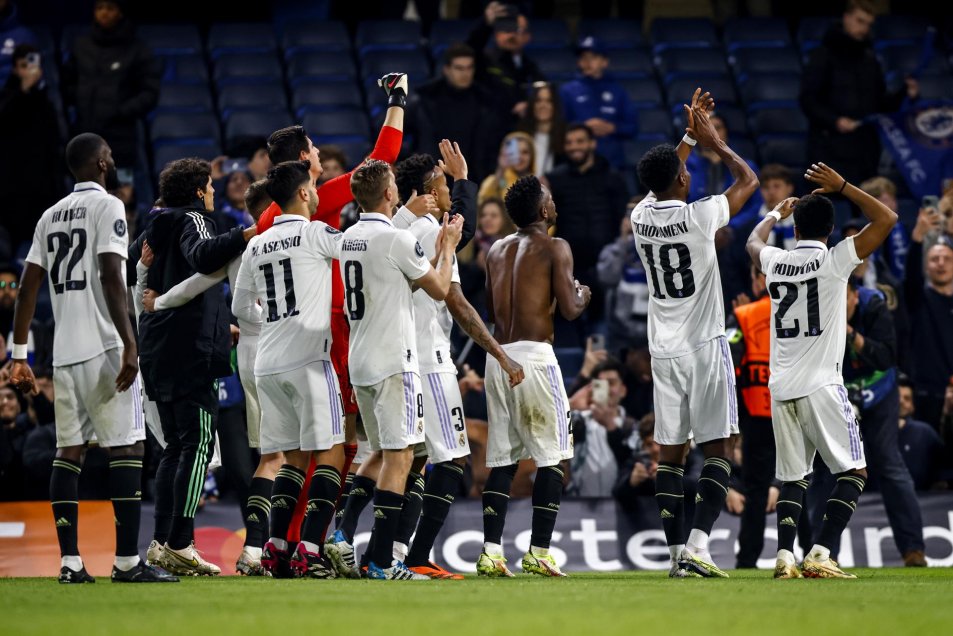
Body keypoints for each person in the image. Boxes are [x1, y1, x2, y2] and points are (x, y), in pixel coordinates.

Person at [254, 73, 411, 553]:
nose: (321, 155)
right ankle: (313, 542)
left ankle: (280, 543)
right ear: (304, 161)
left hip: (275, 344)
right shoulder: (313, 208)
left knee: (296, 452)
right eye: (316, 149)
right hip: (326, 333)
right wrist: (397, 99)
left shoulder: (266, 221)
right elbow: (380, 162)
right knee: (334, 445)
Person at [9, 133, 176, 583]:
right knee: (127, 447)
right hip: (104, 345)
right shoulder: (109, 207)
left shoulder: (49, 215)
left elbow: (27, 287)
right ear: (103, 161)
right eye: (111, 155)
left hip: (64, 352)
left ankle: (69, 562)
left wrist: (18, 354)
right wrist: (129, 341)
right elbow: (109, 274)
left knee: (70, 452)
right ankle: (126, 563)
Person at [746, 161, 899, 579]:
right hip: (822, 385)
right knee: (854, 471)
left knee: (794, 477)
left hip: (781, 387)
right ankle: (821, 551)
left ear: (795, 230)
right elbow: (887, 218)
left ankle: (783, 556)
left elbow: (752, 241)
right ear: (832, 231)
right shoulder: (836, 261)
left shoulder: (775, 261)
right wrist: (844, 185)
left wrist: (776, 213)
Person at [631, 91, 757, 578]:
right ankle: (700, 546)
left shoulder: (641, 218)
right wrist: (714, 143)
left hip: (663, 349)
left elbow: (663, 172)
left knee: (670, 453)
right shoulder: (699, 216)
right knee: (719, 445)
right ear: (683, 180)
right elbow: (749, 181)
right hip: (705, 345)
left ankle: (675, 555)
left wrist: (686, 139)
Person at [390, 141, 524, 578]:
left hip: (404, 356)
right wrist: (500, 354)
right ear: (427, 193)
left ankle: (392, 550)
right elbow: (459, 304)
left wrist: (462, 180)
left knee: (409, 459)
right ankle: (415, 555)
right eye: (444, 184)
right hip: (430, 360)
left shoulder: (398, 228)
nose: (449, 191)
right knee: (450, 459)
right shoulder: (430, 232)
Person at [139, 180, 274, 576]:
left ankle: (165, 542)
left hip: (175, 347)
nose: (215, 193)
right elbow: (202, 261)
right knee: (201, 448)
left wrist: (158, 299)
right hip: (207, 352)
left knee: (177, 449)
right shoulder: (202, 223)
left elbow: (198, 281)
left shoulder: (158, 230)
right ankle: (187, 542)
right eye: (211, 186)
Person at [340, 159, 462, 580]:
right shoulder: (394, 239)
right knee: (401, 456)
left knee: (381, 452)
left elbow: (399, 282)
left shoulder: (349, 238)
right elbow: (442, 288)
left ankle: (345, 538)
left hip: (361, 362)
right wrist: (447, 247)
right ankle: (380, 561)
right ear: (390, 193)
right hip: (395, 361)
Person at [231, 160, 347, 579]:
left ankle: (276, 548)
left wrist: (271, 321)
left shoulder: (256, 243)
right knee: (331, 454)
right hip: (308, 360)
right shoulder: (317, 233)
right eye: (314, 185)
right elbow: (357, 252)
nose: (317, 192)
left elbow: (239, 307)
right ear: (302, 193)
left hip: (267, 364)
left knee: (291, 459)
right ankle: (311, 550)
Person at [476, 175, 591, 578]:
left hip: (498, 355)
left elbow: (491, 309)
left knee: (503, 460)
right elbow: (571, 309)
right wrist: (582, 293)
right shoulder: (555, 245)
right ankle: (539, 550)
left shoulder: (494, 251)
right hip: (536, 359)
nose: (555, 202)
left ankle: (491, 552)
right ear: (543, 211)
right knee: (552, 458)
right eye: (551, 197)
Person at [800, 0, 919, 185]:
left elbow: (880, 103)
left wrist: (905, 93)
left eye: (868, 24)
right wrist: (835, 121)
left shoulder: (870, 60)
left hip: (864, 149)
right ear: (846, 18)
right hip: (828, 147)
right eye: (859, 21)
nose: (863, 28)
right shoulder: (823, 55)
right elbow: (807, 100)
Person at [62, 0, 160, 190]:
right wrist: (79, 99)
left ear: (120, 12)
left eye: (110, 8)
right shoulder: (81, 45)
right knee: (85, 198)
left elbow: (149, 93)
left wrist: (121, 111)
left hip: (121, 141)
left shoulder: (137, 49)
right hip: (85, 135)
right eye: (99, 8)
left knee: (122, 197)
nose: (104, 13)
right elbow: (66, 82)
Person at [727, 265, 783, 569]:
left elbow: (728, 363)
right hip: (794, 409)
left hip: (757, 413)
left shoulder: (745, 315)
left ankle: (747, 559)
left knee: (756, 490)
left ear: (761, 278)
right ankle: (812, 551)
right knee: (797, 482)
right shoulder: (799, 311)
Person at [546, 123, 628, 326]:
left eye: (580, 141)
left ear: (592, 143)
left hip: (606, 268)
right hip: (568, 269)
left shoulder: (612, 177)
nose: (574, 147)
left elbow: (623, 218)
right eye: (569, 142)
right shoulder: (554, 179)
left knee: (603, 328)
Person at [0, 43, 64, 247]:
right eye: (22, 65)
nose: (28, 70)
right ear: (14, 69)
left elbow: (54, 145)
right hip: (10, 189)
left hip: (41, 188)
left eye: (32, 64)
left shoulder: (46, 102)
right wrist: (23, 90)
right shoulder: (6, 98)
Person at [409, 44, 501, 179]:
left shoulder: (485, 101)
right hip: (432, 177)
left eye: (469, 68)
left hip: (474, 177)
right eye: (459, 68)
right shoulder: (426, 99)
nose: (465, 73)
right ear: (446, 69)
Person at [903, 209, 953, 428]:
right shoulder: (919, 300)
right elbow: (911, 278)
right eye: (934, 259)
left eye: (946, 259)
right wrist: (917, 239)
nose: (940, 263)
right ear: (926, 266)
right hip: (928, 395)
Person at [559, 36, 637, 170]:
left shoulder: (618, 91)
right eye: (583, 58)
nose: (587, 62)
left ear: (605, 62)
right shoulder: (567, 91)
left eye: (593, 57)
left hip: (612, 163)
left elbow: (632, 127)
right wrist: (583, 128)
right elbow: (559, 127)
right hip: (576, 165)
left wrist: (612, 128)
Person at [466, 1, 544, 122]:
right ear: (496, 34)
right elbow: (469, 50)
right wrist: (485, 24)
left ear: (527, 37)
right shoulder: (485, 59)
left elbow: (543, 92)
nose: (511, 35)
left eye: (517, 30)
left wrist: (530, 105)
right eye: (506, 30)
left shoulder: (531, 67)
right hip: (489, 126)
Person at [568, 358, 634, 497]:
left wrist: (611, 426)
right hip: (577, 506)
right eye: (600, 384)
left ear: (623, 390)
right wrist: (570, 404)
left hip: (620, 510)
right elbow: (544, 430)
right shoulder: (578, 421)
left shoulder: (631, 427)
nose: (606, 389)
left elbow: (631, 461)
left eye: (611, 383)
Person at [685, 113, 762, 230]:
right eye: (705, 128)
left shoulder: (746, 168)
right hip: (693, 230)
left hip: (735, 236)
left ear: (726, 132)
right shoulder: (685, 167)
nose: (711, 133)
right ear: (697, 134)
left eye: (717, 128)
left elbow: (756, 205)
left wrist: (730, 228)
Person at [597, 200, 649, 353]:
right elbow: (607, 277)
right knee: (597, 340)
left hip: (656, 330)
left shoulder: (664, 250)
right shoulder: (613, 249)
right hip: (620, 331)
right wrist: (624, 241)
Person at [898, 376, 948, 491]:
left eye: (907, 398)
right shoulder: (871, 433)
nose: (901, 401)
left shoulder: (924, 433)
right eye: (897, 397)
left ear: (913, 406)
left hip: (923, 501)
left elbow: (944, 468)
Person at [515, 82, 567, 176]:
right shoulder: (519, 134)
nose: (543, 105)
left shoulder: (565, 137)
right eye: (538, 101)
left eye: (549, 101)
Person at [477, 132, 536, 205]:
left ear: (532, 156)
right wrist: (501, 171)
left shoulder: (539, 184)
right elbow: (483, 207)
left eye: (525, 152)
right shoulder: (491, 181)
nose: (519, 157)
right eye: (515, 152)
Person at [756, 164, 797, 251]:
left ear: (789, 188)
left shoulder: (806, 222)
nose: (771, 192)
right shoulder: (751, 225)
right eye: (766, 187)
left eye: (777, 186)